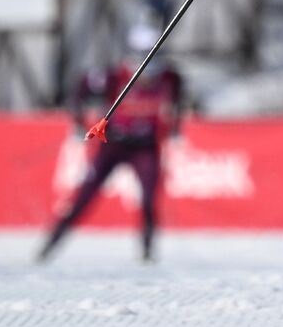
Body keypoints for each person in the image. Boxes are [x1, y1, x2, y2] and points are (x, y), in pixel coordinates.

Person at [37, 23, 185, 263]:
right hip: (113, 145)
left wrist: (176, 130)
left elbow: (177, 100)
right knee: (84, 197)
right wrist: (78, 124)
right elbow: (79, 88)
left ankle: (147, 252)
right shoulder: (113, 76)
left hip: (146, 146)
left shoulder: (171, 77)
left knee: (149, 199)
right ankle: (51, 244)